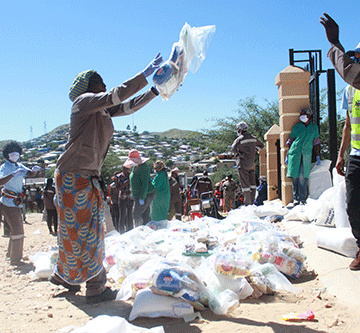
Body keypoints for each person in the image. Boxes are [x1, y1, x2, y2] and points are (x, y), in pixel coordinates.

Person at [50, 53, 163, 303]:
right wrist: (144, 75)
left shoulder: (100, 110)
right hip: (73, 175)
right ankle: (95, 288)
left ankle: (66, 276)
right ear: (87, 86)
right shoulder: (84, 102)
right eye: (99, 80)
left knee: (78, 230)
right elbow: (117, 94)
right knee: (85, 231)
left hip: (85, 176)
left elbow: (127, 105)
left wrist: (155, 90)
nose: (103, 83)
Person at [320, 13, 360, 270]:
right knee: (354, 204)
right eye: (356, 57)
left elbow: (349, 72)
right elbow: (347, 122)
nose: (356, 61)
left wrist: (336, 44)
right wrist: (341, 154)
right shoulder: (351, 90)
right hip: (357, 155)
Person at [0, 141, 41, 265]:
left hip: (16, 201)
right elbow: (0, 181)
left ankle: (11, 254)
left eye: (17, 153)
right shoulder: (4, 167)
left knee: (14, 230)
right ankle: (15, 259)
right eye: (12, 153)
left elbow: (30, 173)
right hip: (8, 201)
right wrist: (12, 174)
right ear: (7, 155)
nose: (15, 155)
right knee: (18, 231)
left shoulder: (20, 166)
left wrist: (35, 170)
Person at [286, 108, 321, 206]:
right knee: (295, 177)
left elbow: (316, 142)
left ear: (309, 116)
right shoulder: (297, 127)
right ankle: (295, 198)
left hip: (306, 154)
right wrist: (288, 154)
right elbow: (291, 139)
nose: (302, 116)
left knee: (303, 177)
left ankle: (302, 199)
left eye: (304, 114)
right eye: (301, 114)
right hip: (295, 153)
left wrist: (317, 156)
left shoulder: (313, 127)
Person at [320, 13, 360, 90]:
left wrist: (335, 42)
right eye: (355, 57)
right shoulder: (349, 90)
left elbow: (351, 74)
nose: (355, 61)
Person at [231, 121, 264, 205]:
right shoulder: (253, 138)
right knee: (253, 185)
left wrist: (239, 155)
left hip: (242, 165)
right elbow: (262, 145)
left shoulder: (239, 139)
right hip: (252, 165)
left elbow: (233, 148)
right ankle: (253, 203)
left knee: (246, 186)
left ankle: (248, 204)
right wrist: (255, 151)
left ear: (240, 129)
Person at [124, 149, 156, 227]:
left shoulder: (143, 168)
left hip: (146, 194)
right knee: (145, 215)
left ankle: (139, 231)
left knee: (136, 214)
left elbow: (144, 184)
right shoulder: (136, 167)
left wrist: (142, 197)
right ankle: (146, 232)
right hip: (140, 195)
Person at [117, 166, 133, 233]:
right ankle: (121, 232)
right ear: (123, 169)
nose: (126, 170)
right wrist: (124, 185)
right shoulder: (119, 176)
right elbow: (117, 188)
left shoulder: (131, 176)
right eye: (125, 168)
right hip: (122, 198)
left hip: (130, 197)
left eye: (127, 168)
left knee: (130, 215)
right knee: (122, 215)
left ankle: (130, 231)